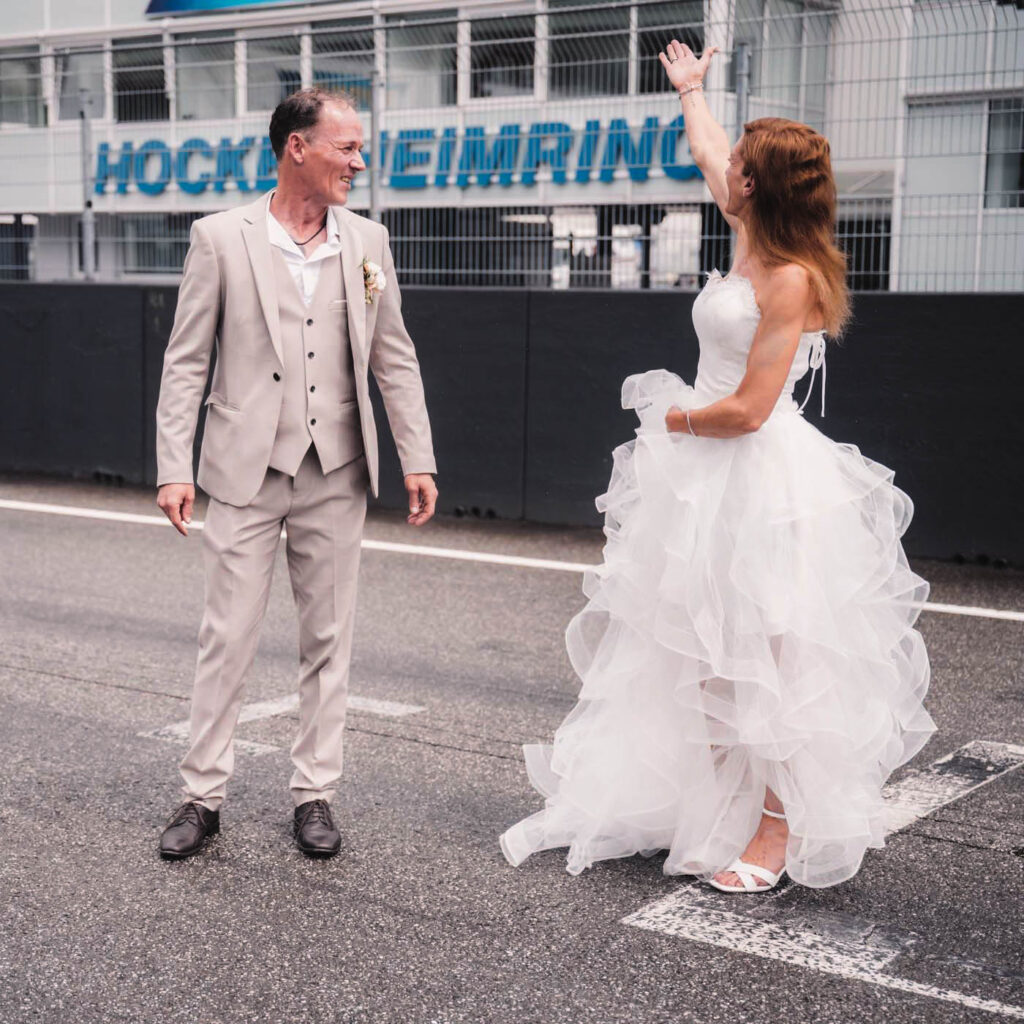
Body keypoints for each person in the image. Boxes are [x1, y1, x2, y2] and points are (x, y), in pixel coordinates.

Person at [500, 42, 934, 891]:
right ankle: (719, 812)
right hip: (700, 478)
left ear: (758, 186)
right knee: (703, 659)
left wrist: (674, 418)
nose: (723, 163)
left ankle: (773, 834)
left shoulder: (792, 279)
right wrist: (692, 91)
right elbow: (704, 147)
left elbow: (750, 412)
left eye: (739, 161)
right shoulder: (744, 230)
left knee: (765, 661)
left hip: (754, 476)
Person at [154, 88, 437, 860]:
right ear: (297, 149)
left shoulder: (369, 241)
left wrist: (417, 456)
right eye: (346, 147)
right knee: (227, 639)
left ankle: (314, 794)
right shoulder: (220, 238)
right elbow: (186, 363)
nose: (360, 160)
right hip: (243, 470)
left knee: (329, 639)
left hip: (337, 468)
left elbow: (394, 354)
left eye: (359, 147)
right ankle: (202, 797)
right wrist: (173, 466)